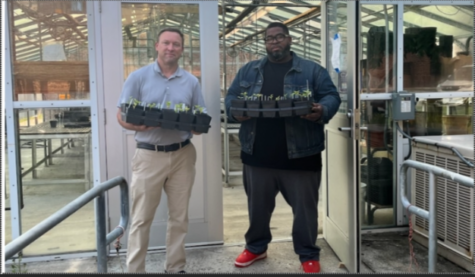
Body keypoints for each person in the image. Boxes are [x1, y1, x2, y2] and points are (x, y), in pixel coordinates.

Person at [224, 22, 341, 273]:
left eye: (279, 37)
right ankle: (256, 247)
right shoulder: (248, 71)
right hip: (257, 153)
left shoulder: (311, 71)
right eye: (269, 38)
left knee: (304, 210)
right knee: (257, 207)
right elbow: (230, 99)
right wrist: (236, 113)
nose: (274, 42)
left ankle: (308, 252)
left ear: (289, 40)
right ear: (265, 43)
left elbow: (331, 96)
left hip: (301, 153)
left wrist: (323, 110)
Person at [116, 27, 206, 273]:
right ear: (156, 46)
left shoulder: (191, 81)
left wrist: (196, 127)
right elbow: (121, 116)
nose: (170, 48)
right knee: (142, 218)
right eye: (166, 43)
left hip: (182, 155)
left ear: (182, 50)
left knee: (179, 216)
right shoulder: (138, 77)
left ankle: (175, 267)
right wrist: (139, 123)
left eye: (176, 44)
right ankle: (135, 270)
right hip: (149, 154)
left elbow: (200, 116)